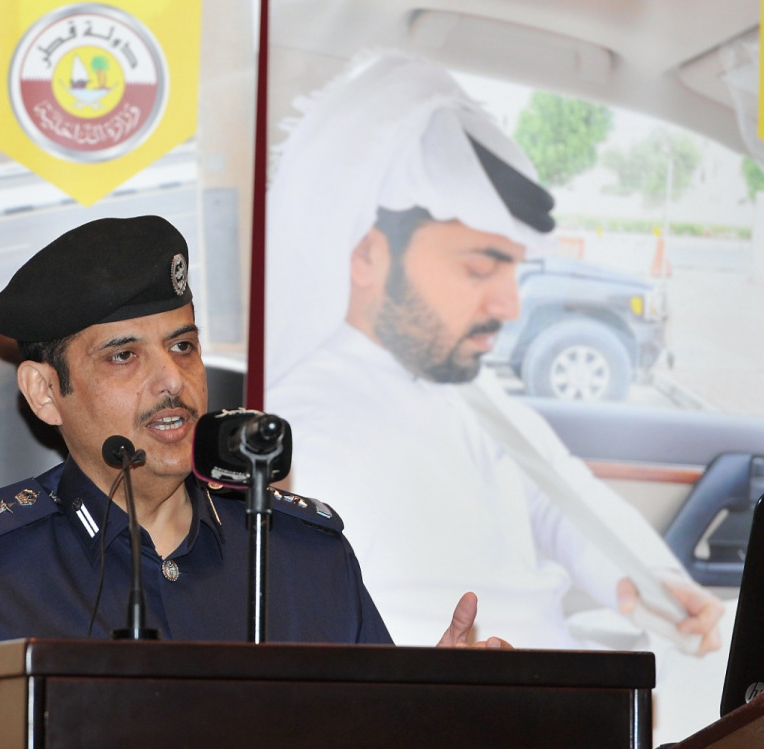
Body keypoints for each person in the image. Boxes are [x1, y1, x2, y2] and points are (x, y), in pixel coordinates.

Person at [0, 215, 504, 749]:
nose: (172, 380)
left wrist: (433, 723)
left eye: (183, 346)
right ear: (43, 392)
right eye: (124, 356)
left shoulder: (302, 556)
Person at [266, 52, 724, 653]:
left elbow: (558, 499)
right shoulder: (304, 432)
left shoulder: (463, 391)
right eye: (480, 267)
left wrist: (649, 581)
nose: (510, 306)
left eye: (512, 271)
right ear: (368, 255)